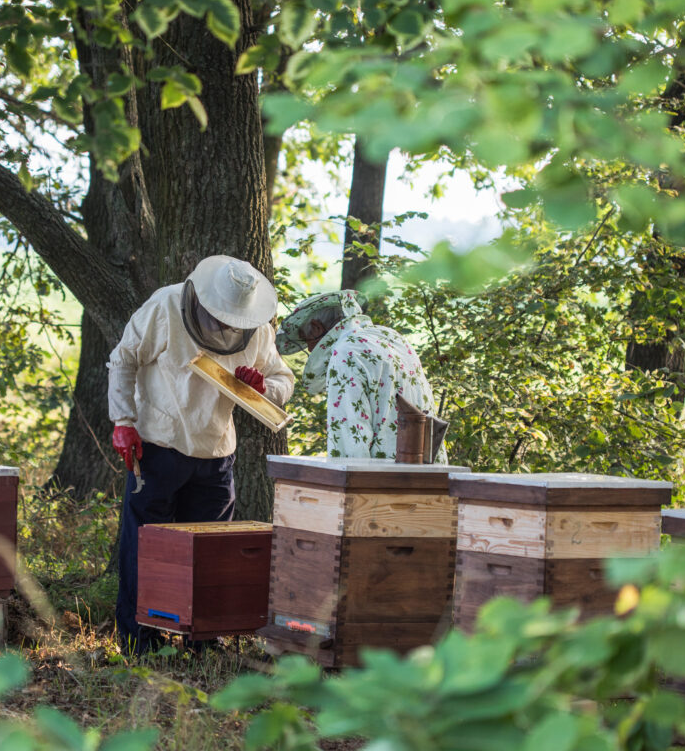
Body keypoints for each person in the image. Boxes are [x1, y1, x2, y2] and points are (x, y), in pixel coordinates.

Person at [108, 255, 294, 654]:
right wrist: (122, 421)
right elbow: (123, 358)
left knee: (211, 554)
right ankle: (139, 640)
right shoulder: (165, 305)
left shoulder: (257, 330)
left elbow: (283, 380)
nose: (225, 326)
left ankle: (204, 640)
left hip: (217, 454)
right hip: (158, 446)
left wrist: (263, 387)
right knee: (146, 547)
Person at [276, 290, 443, 461]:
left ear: (317, 327)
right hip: (429, 469)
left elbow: (350, 437)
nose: (310, 349)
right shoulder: (391, 337)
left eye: (307, 340)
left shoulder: (346, 353)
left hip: (386, 472)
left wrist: (344, 473)